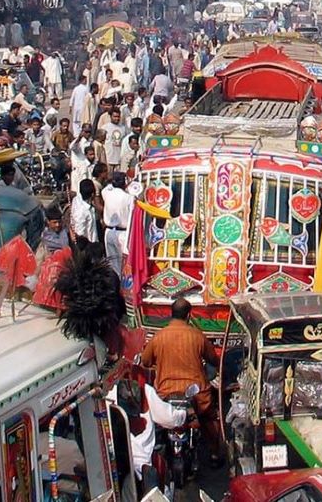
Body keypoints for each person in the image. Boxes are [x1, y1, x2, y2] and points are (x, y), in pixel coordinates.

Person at [140, 297, 224, 468]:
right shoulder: (197, 336)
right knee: (209, 418)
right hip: (196, 393)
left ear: (172, 314)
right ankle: (215, 454)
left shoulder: (159, 337)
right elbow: (213, 360)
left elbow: (145, 361)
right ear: (188, 315)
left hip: (165, 392)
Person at [102, 173, 135, 276]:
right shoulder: (129, 198)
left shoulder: (107, 193)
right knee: (125, 263)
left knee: (112, 264)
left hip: (109, 232)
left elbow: (106, 188)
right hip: (123, 233)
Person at [71, 179, 99, 243]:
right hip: (89, 245)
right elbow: (79, 233)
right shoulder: (82, 211)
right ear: (92, 194)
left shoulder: (76, 199)